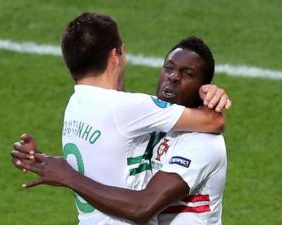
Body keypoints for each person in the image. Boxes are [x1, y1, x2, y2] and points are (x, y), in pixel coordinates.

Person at [12, 13, 230, 225]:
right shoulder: (134, 114)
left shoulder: (79, 104)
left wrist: (63, 173)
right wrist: (47, 164)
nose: (173, 77)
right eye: (168, 67)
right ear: (116, 55)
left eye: (188, 74)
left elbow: (142, 206)